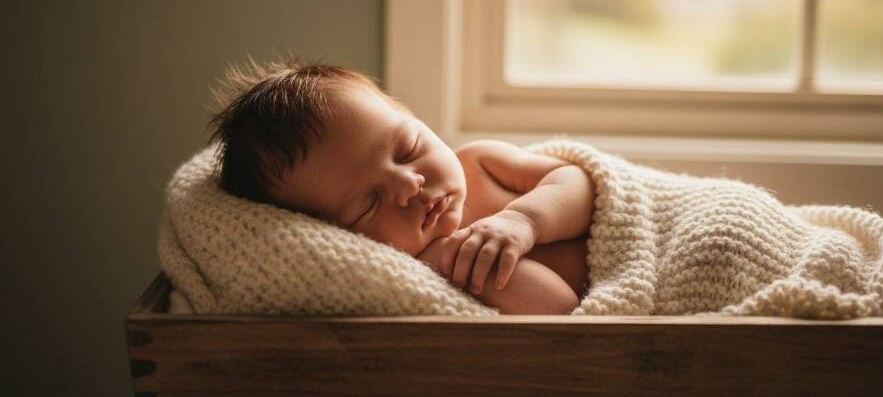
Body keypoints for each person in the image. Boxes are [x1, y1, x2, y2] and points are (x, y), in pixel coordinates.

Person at [207, 56, 595, 314]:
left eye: (408, 149)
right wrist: (453, 261)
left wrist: (524, 220)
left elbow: (581, 182)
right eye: (369, 204)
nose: (409, 184)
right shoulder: (423, 274)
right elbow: (561, 309)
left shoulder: (481, 162)